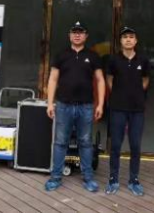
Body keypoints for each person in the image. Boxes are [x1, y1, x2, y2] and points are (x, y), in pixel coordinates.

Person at [44, 21, 106, 192]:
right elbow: (53, 80)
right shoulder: (61, 55)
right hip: (63, 106)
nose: (77, 35)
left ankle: (88, 178)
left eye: (81, 32)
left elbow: (100, 80)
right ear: (69, 35)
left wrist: (100, 104)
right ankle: (55, 178)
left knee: (85, 143)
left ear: (86, 36)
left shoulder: (93, 56)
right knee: (60, 142)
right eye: (74, 32)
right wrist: (50, 103)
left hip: (86, 107)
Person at [105, 26, 150, 196]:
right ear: (121, 41)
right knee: (116, 145)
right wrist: (120, 94)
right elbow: (109, 80)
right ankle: (113, 179)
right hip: (118, 108)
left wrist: (136, 93)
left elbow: (145, 80)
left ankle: (134, 180)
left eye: (131, 37)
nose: (128, 39)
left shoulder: (143, 60)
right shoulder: (113, 60)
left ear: (136, 41)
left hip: (137, 109)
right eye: (125, 37)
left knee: (135, 145)